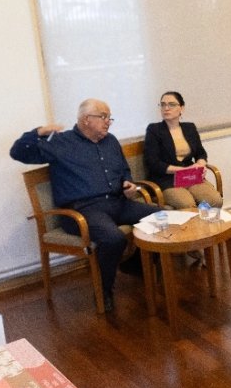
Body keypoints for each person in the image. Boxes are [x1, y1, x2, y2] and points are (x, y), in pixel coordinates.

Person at [10, 98, 153, 312]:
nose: (108, 122)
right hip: (82, 210)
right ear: (86, 119)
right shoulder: (61, 143)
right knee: (113, 238)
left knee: (163, 217)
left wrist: (128, 184)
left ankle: (133, 264)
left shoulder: (110, 141)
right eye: (103, 117)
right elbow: (18, 153)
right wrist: (40, 131)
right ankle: (103, 291)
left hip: (117, 202)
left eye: (109, 118)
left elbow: (123, 170)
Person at [143, 91, 223, 210]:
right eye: (163, 104)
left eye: (171, 104)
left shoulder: (189, 127)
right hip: (167, 180)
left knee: (215, 201)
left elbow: (200, 152)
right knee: (187, 205)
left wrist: (200, 165)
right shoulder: (154, 130)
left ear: (182, 108)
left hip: (191, 176)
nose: (166, 108)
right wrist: (182, 170)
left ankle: (207, 227)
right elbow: (153, 163)